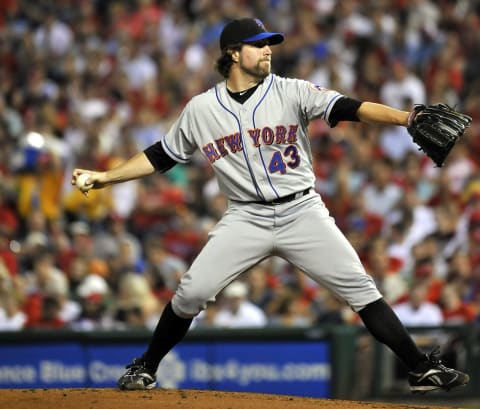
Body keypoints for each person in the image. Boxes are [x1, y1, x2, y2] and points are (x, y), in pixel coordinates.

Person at [71, 18, 469, 393]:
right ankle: (146, 366)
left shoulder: (290, 90)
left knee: (360, 288)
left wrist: (404, 117)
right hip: (246, 216)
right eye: (258, 45)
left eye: (269, 45)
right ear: (231, 53)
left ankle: (421, 368)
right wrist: (105, 177)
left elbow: (349, 107)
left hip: (302, 211)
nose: (268, 51)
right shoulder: (202, 109)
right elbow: (161, 155)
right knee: (192, 292)